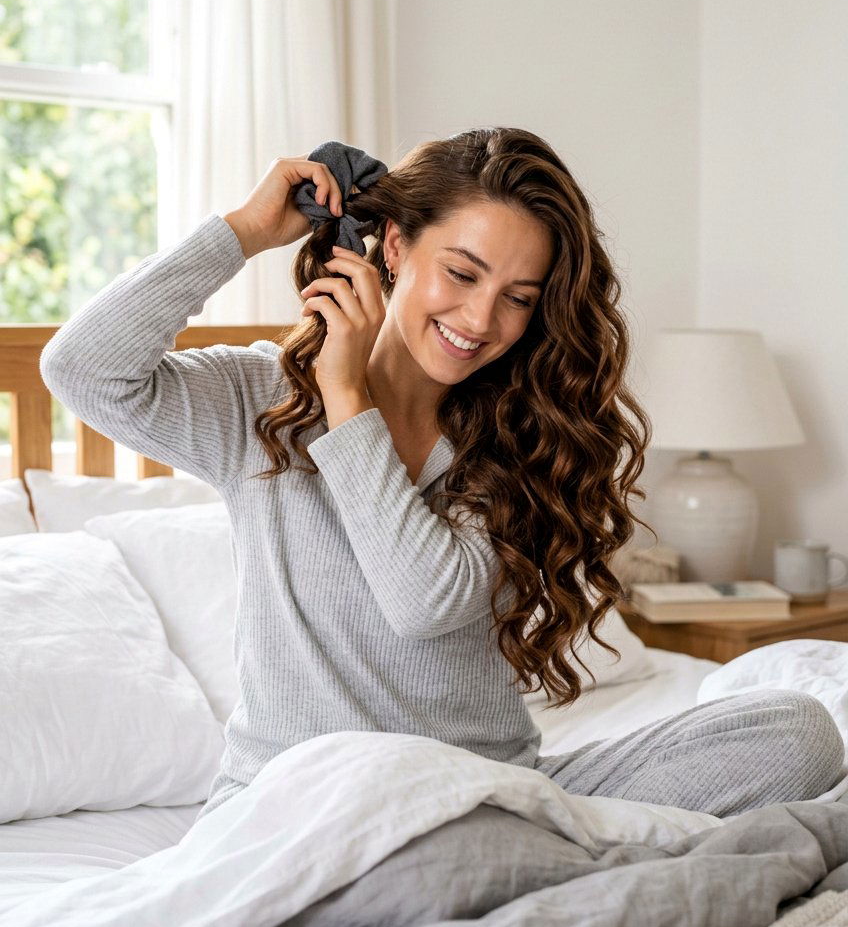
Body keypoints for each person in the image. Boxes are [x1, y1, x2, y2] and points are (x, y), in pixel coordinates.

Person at [39, 129, 846, 822]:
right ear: (393, 246)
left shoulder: (522, 440)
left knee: (796, 733)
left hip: (487, 795)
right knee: (414, 846)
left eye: (518, 298)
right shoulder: (262, 402)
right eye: (461, 274)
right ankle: (545, 872)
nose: (481, 320)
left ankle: (522, 864)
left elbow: (424, 594)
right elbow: (81, 369)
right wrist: (245, 232)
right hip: (305, 806)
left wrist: (348, 398)